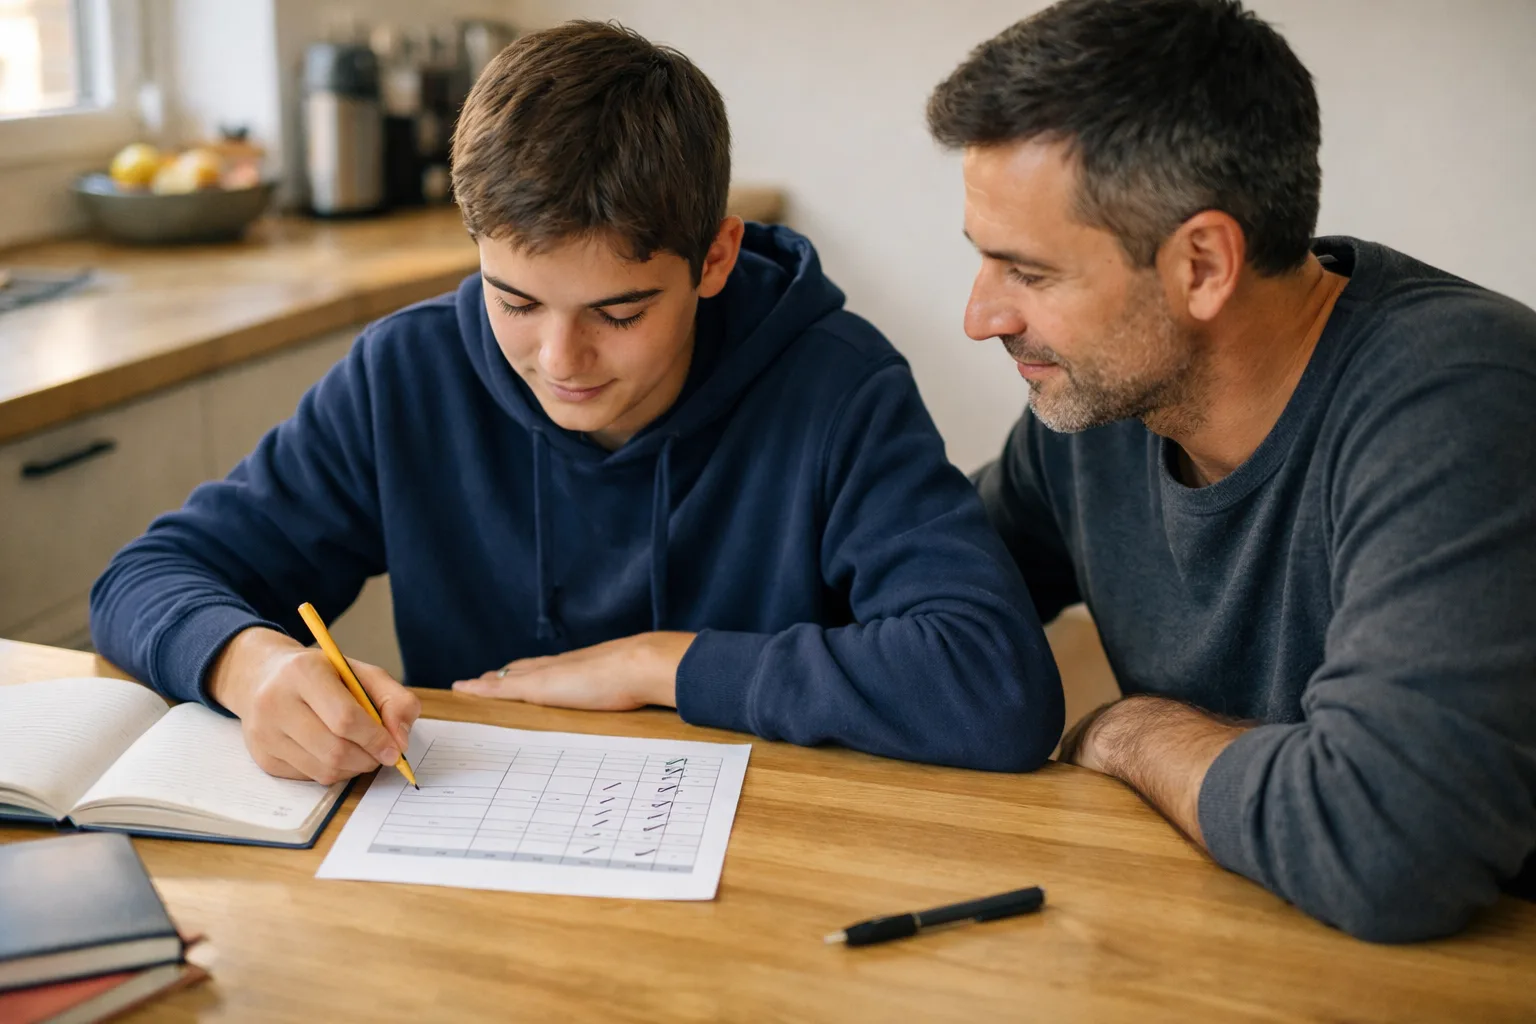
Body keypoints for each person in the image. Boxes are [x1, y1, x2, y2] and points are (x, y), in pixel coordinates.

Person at [90, 21, 1064, 787]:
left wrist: (658, 667)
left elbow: (993, 683)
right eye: (514, 301)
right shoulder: (408, 374)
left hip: (766, 880)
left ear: (716, 258)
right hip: (477, 871)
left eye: (620, 310)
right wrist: (251, 667)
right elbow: (149, 574)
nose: (561, 360)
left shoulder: (835, 386)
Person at [927, 0, 1536, 942]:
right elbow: (921, 594)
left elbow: (1389, 846)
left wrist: (1129, 731)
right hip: (1248, 928)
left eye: (1030, 274)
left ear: (1203, 263)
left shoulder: (1464, 402)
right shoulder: (1098, 404)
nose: (982, 316)